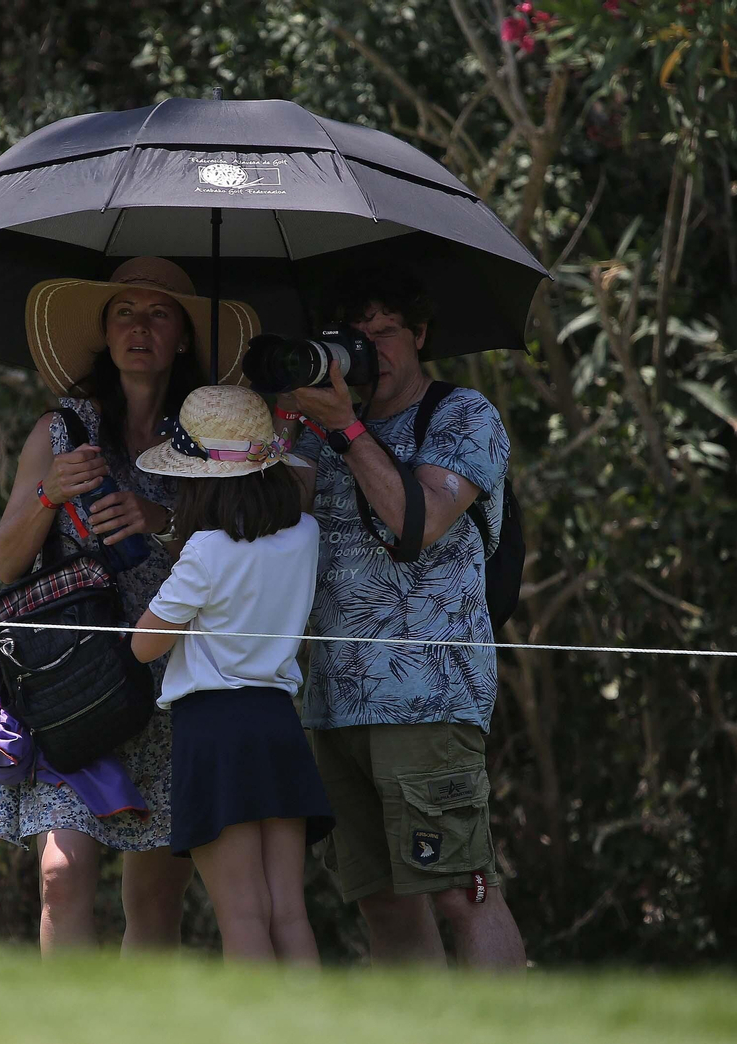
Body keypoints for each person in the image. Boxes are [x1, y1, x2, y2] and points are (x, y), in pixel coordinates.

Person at [0, 256, 261, 955]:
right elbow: (4, 562)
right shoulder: (59, 430)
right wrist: (49, 495)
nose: (140, 328)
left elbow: (245, 559)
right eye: (124, 314)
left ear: (181, 339)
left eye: (159, 314)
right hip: (71, 682)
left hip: (175, 680)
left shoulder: (210, 440)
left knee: (155, 893)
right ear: (105, 336)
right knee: (60, 873)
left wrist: (159, 519)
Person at [280, 266, 526, 968]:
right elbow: (271, 523)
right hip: (330, 701)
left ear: (420, 334)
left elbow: (412, 523)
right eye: (355, 336)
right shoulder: (317, 427)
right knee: (382, 901)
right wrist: (268, 426)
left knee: (461, 891)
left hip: (429, 696)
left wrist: (346, 428)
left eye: (385, 333)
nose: (370, 350)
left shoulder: (463, 416)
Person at [129, 385, 332, 964]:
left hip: (215, 730)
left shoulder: (205, 551)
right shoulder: (305, 536)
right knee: (287, 910)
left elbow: (144, 645)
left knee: (242, 913)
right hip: (277, 723)